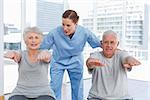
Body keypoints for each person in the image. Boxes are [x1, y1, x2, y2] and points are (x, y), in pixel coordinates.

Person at [39, 9, 101, 100]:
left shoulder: (84, 32)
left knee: (77, 89)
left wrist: (113, 47)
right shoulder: (54, 32)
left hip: (75, 61)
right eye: (63, 24)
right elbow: (42, 47)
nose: (65, 28)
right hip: (58, 61)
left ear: (76, 23)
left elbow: (98, 43)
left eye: (68, 25)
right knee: (54, 87)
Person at [86, 30, 141, 100]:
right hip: (97, 97)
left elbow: (126, 58)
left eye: (112, 42)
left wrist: (130, 60)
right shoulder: (96, 55)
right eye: (106, 42)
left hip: (122, 98)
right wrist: (91, 63)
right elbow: (89, 62)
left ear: (117, 44)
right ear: (101, 43)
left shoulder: (122, 54)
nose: (109, 45)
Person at [4, 26, 56, 100]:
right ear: (25, 41)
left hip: (43, 92)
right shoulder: (21, 54)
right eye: (30, 38)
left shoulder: (44, 53)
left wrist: (45, 54)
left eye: (36, 38)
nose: (33, 40)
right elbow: (17, 55)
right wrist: (12, 53)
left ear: (40, 40)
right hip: (21, 91)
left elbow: (47, 56)